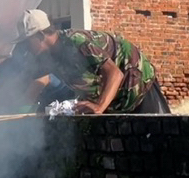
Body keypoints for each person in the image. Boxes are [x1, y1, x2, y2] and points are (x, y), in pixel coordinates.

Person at [14, 9, 171, 114]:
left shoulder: (76, 42)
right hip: (113, 101)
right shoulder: (46, 57)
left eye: (27, 42)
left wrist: (99, 107)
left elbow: (114, 74)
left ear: (40, 36)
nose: (26, 48)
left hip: (137, 85)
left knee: (158, 135)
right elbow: (30, 81)